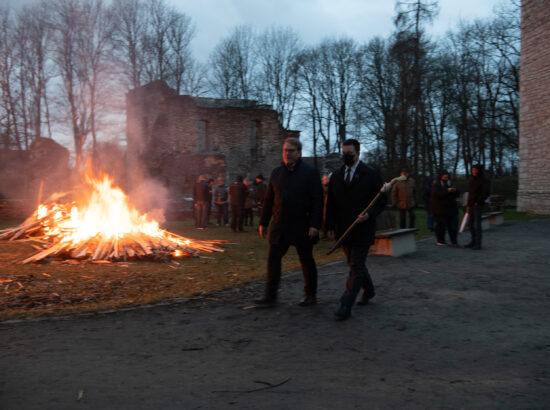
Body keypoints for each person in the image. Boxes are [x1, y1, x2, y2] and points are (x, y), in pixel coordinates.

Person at [255, 137, 323, 308]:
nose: (287, 154)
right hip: (280, 225)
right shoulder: (276, 173)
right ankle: (270, 297)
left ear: (299, 153)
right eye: (285, 150)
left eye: (291, 151)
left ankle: (310, 295)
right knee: (273, 259)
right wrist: (263, 222)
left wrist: (315, 224)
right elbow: (269, 199)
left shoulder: (310, 172)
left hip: (302, 224)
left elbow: (318, 201)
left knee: (306, 260)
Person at [326, 139, 387, 320]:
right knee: (354, 264)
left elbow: (382, 201)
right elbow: (331, 203)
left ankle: (346, 304)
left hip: (363, 228)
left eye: (350, 154)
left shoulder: (371, 174)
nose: (346, 157)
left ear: (358, 153)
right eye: (343, 154)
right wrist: (328, 226)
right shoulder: (336, 176)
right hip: (343, 229)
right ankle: (369, 290)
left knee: (356, 264)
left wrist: (369, 215)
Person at [431, 169, 459, 246]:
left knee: (452, 226)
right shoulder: (436, 184)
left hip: (450, 208)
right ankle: (440, 240)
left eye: (446, 174)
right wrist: (447, 191)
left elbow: (456, 193)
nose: (446, 176)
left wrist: (454, 191)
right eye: (444, 174)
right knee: (441, 225)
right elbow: (436, 194)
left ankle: (454, 241)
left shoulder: (450, 182)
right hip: (440, 209)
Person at [466, 164, 490, 250]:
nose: (474, 171)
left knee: (477, 225)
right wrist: (468, 205)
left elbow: (486, 193)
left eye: (475, 170)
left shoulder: (484, 180)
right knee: (470, 224)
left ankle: (478, 243)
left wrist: (478, 202)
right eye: (473, 170)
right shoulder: (472, 180)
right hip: (471, 204)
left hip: (478, 205)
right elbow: (470, 193)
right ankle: (473, 241)